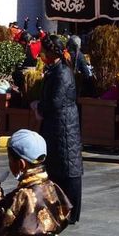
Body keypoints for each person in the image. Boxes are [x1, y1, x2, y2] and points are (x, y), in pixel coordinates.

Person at [33, 35, 83, 225]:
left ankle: (69, 211)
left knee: (68, 167)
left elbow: (56, 101)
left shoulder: (62, 72)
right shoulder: (55, 70)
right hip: (57, 124)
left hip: (63, 125)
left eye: (43, 51)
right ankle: (59, 208)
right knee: (58, 166)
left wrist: (39, 107)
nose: (41, 55)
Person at [0, 129, 72, 235]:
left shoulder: (23, 195)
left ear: (21, 164)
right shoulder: (52, 187)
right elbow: (64, 215)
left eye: (10, 159)